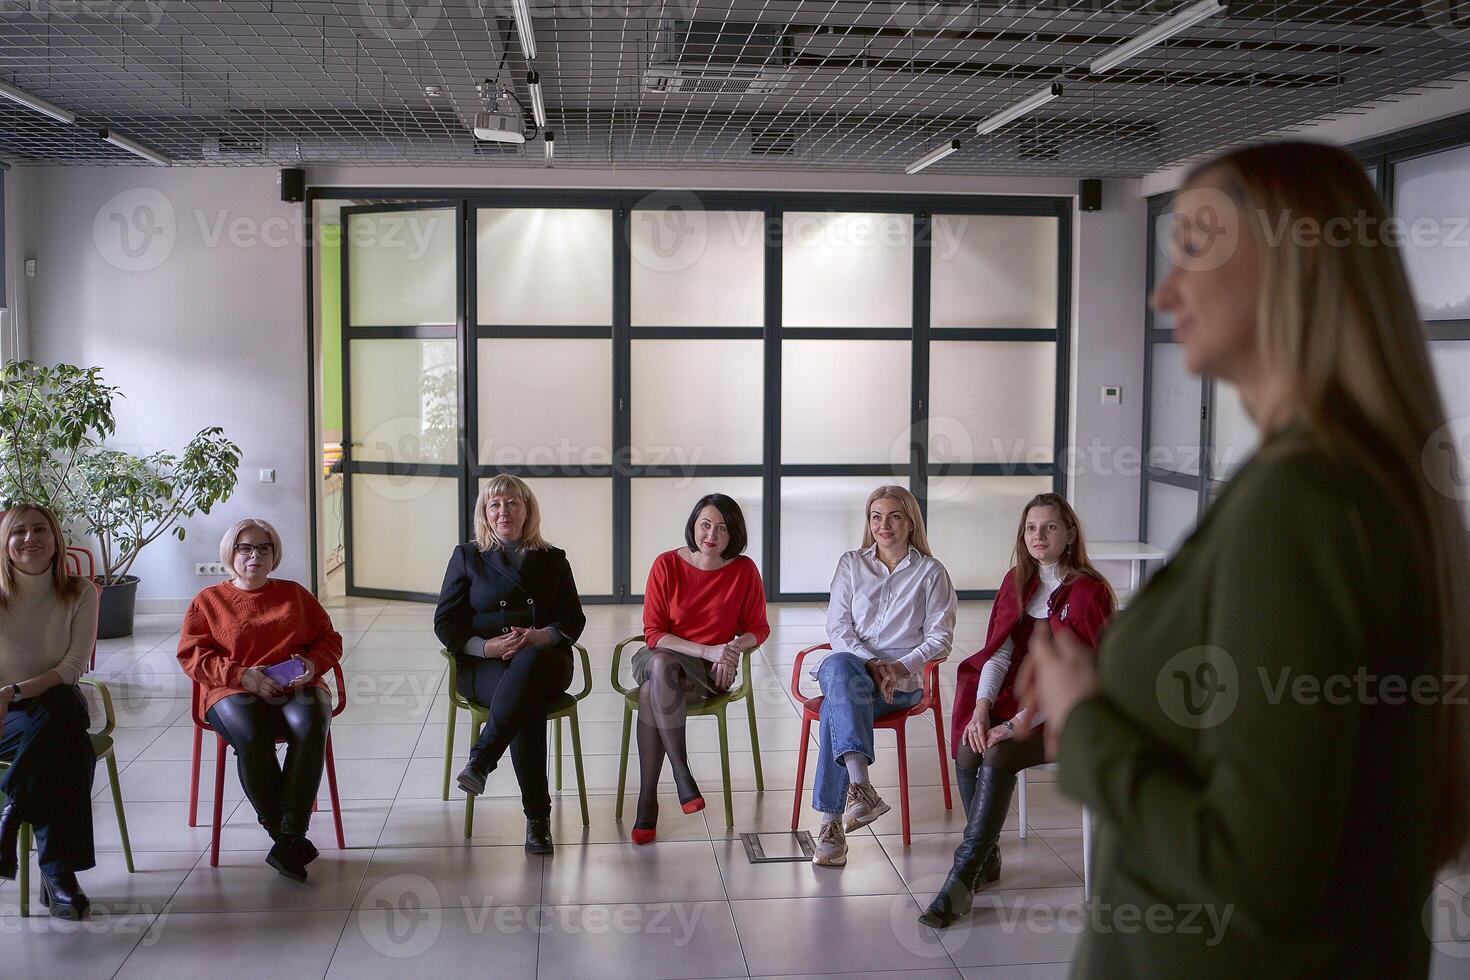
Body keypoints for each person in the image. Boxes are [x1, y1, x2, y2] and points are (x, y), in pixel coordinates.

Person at [1020, 141, 1470, 976]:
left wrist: (1083, 727)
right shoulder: (1353, 483)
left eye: (1194, 249)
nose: (1163, 293)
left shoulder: (1304, 502)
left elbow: (1255, 875)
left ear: (1291, 257)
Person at [919, 492, 1114, 927]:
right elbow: (999, 654)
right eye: (1031, 527)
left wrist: (1018, 723)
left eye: (1049, 527)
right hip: (1015, 702)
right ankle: (987, 859)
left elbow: (1078, 675)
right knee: (970, 747)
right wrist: (983, 709)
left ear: (1069, 534)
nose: (1038, 535)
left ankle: (963, 875)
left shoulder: (1087, 592)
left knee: (1000, 752)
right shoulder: (1016, 581)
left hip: (1072, 711)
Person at [178, 518, 343, 882]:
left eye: (264, 548)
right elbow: (192, 656)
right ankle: (286, 836)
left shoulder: (295, 594)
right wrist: (243, 676)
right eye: (245, 548)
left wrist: (312, 663)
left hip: (297, 684)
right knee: (253, 735)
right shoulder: (208, 601)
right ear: (231, 553)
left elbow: (329, 639)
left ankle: (289, 838)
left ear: (274, 554)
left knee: (312, 723)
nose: (255, 555)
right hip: (233, 689)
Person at [436, 475, 587, 855]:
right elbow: (446, 622)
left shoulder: (553, 558)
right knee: (525, 702)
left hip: (546, 660)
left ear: (527, 510)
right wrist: (486, 646)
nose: (504, 512)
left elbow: (572, 620)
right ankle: (538, 820)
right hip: (485, 666)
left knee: (531, 665)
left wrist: (538, 636)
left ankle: (483, 758)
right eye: (495, 505)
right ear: (485, 514)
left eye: (513, 503)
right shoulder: (467, 556)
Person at [811, 485, 956, 867]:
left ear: (911, 523)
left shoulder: (931, 572)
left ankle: (832, 824)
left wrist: (899, 666)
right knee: (840, 666)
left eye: (893, 516)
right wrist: (871, 663)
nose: (883, 525)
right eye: (876, 516)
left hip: (900, 685)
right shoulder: (851, 564)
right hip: (852, 669)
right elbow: (838, 628)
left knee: (833, 710)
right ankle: (860, 789)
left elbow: (940, 638)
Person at [630, 493, 768, 844]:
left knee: (651, 692)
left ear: (733, 533)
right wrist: (710, 651)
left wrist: (733, 649)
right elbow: (654, 634)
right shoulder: (666, 565)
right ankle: (681, 773)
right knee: (661, 666)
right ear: (693, 525)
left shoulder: (743, 570)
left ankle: (647, 802)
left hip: (706, 675)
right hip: (664, 655)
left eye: (722, 528)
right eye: (705, 524)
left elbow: (758, 628)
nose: (711, 535)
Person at [0, 504, 99, 918]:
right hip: (4, 715)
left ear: (57, 539)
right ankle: (59, 875)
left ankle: (11, 814)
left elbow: (72, 667)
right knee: (71, 745)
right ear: (4, 543)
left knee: (61, 709)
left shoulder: (81, 591)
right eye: (18, 531)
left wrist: (14, 689)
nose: (30, 538)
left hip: (44, 700)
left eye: (40, 529)